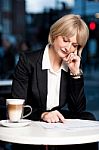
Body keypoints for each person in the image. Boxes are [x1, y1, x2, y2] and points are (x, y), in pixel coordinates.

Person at [11, 14, 98, 150]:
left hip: (57, 122)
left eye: (74, 45)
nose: (68, 47)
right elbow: (17, 106)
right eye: (65, 40)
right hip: (33, 119)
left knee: (88, 117)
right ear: (54, 35)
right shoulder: (28, 61)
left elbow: (78, 110)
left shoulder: (71, 65)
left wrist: (75, 73)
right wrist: (43, 114)